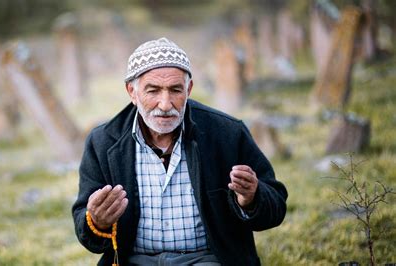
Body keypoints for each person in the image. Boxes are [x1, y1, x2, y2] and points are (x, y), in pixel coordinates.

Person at [72, 37, 287, 266]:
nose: (165, 104)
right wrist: (97, 221)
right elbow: (86, 231)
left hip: (208, 260)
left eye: (175, 90)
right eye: (153, 91)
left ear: (189, 89)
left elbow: (275, 206)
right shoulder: (103, 141)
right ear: (132, 92)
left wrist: (251, 199)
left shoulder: (227, 133)